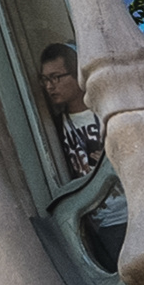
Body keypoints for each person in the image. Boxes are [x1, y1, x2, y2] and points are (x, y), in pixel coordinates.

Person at [34, 42, 101, 181]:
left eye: (55, 77)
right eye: (45, 79)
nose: (49, 86)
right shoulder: (54, 127)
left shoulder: (106, 112)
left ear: (77, 74)